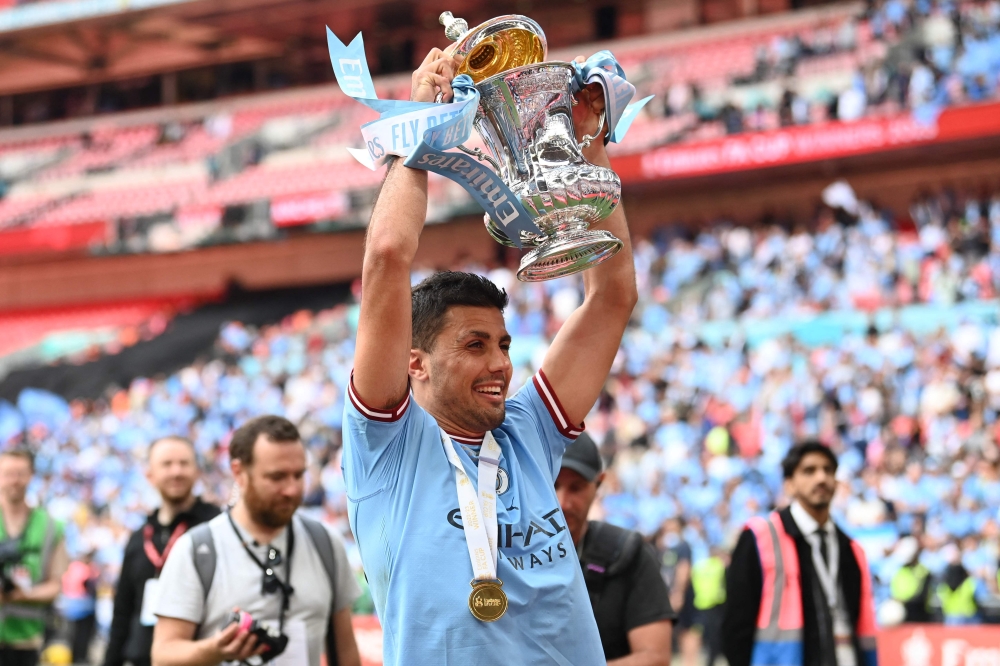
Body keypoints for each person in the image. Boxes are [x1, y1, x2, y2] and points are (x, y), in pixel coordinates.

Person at [343, 47, 638, 665]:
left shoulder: (528, 431)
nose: (501, 365)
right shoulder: (386, 449)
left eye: (503, 344)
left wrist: (586, 141)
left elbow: (612, 296)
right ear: (414, 362)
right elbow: (388, 259)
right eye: (474, 346)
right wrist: (415, 129)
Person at [151, 416, 362, 666]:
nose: (292, 489)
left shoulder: (325, 543)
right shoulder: (197, 550)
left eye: (298, 475)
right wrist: (214, 650)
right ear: (239, 473)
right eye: (277, 477)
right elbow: (163, 655)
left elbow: (345, 649)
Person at [723, 441, 878, 666]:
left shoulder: (851, 549)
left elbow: (862, 627)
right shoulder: (760, 537)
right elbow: (736, 625)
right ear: (789, 485)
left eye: (828, 470)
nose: (821, 478)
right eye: (809, 471)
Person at [555, 433, 674, 665]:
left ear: (598, 485)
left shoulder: (628, 553)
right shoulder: (501, 554)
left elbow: (656, 657)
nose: (563, 502)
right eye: (552, 484)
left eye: (576, 487)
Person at [104, 436, 221, 666]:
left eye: (184, 463)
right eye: (167, 464)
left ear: (198, 471)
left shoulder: (218, 527)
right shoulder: (139, 538)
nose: (176, 471)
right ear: (150, 475)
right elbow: (122, 613)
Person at [0, 447, 69, 666]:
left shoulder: (51, 526)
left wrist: (21, 595)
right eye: (8, 474)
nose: (14, 480)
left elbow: (56, 586)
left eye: (20, 474)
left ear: (31, 476)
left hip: (28, 641)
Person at [656, 517, 696, 665]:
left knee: (685, 629)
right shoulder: (667, 546)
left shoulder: (682, 546)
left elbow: (684, 568)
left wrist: (678, 592)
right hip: (668, 593)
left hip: (678, 594)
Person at [61, 550, 100, 664]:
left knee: (73, 635)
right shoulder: (87, 569)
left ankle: (74, 657)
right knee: (83, 636)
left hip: (70, 607)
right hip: (84, 608)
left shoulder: (72, 567)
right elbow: (90, 586)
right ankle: (80, 657)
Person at [690, 546, 727, 666]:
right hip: (716, 604)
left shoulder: (699, 566)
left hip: (700, 603)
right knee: (716, 637)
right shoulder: (719, 566)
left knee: (704, 635)